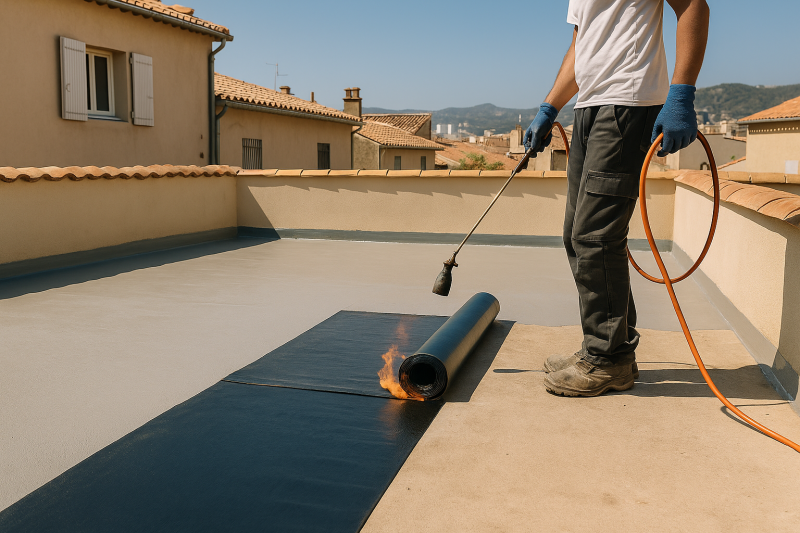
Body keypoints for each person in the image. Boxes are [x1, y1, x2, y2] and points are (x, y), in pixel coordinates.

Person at [523, 0, 710, 396]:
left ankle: (608, 360)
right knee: (576, 235)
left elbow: (693, 6)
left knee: (596, 238)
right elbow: (582, 45)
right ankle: (609, 345)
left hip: (628, 104)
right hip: (588, 108)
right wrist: (550, 107)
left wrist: (681, 95)